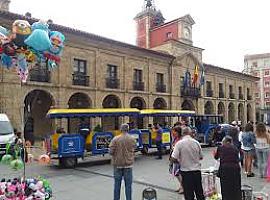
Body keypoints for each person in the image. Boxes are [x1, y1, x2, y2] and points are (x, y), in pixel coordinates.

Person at [171, 127, 205, 200]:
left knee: (188, 194)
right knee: (199, 193)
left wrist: (179, 161)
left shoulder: (179, 144)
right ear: (190, 133)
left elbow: (173, 158)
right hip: (197, 171)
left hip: (186, 172)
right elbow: (201, 157)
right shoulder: (196, 142)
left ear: (182, 134)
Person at [109, 124, 136, 200]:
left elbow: (111, 152)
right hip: (128, 165)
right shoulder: (132, 138)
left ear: (121, 129)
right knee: (128, 186)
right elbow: (134, 148)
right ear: (128, 129)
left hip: (118, 165)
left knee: (117, 186)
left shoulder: (115, 139)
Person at [214, 135, 241, 200]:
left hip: (224, 169)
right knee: (235, 186)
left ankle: (226, 198)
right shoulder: (235, 148)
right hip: (235, 169)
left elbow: (216, 157)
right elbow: (238, 158)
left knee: (225, 186)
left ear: (224, 141)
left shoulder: (220, 148)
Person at [169, 126, 183, 194]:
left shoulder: (181, 140)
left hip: (178, 159)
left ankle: (183, 187)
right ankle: (181, 186)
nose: (172, 133)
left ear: (177, 132)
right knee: (175, 173)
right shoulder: (175, 139)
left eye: (174, 131)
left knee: (178, 173)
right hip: (174, 158)